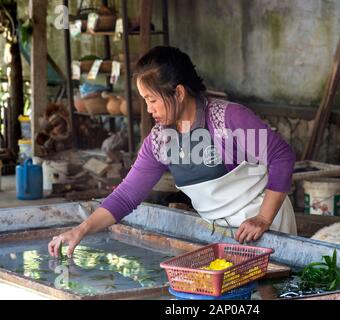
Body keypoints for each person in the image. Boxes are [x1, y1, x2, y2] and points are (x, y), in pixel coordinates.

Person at [48, 46, 297, 258]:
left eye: (152, 100)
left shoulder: (229, 118)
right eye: (145, 100)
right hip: (222, 234)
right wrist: (81, 230)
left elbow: (282, 157)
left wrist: (263, 218)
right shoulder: (159, 142)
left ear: (178, 92)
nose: (148, 109)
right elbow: (126, 196)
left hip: (263, 227)